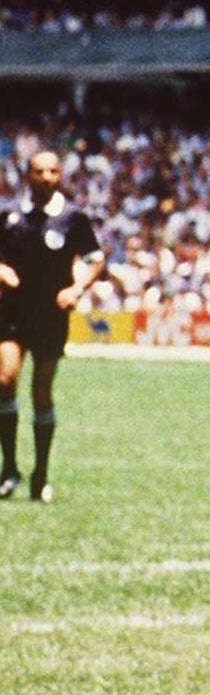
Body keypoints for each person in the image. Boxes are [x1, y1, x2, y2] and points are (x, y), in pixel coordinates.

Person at [0, 150, 104, 504]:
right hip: (11, 311)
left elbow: (95, 258)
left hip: (49, 315)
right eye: (39, 171)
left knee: (41, 391)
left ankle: (40, 474)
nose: (46, 176)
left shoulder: (73, 218)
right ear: (27, 175)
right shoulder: (9, 214)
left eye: (53, 171)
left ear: (61, 175)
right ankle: (9, 467)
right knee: (5, 378)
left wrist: (77, 288)